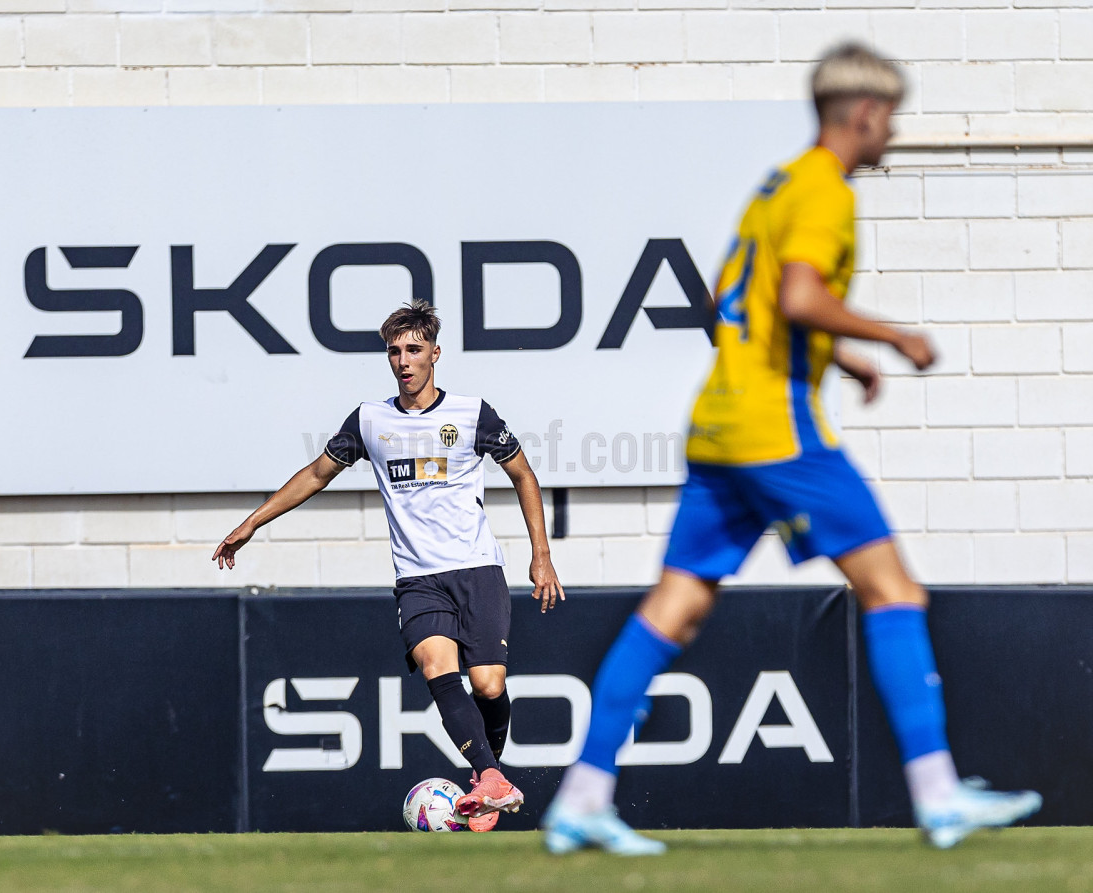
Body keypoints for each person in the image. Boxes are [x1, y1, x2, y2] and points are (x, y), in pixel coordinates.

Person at [541, 43, 1042, 855]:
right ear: (865, 113)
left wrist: (839, 357)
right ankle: (939, 794)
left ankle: (581, 797)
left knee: (675, 605)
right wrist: (893, 337)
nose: (893, 133)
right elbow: (801, 295)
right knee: (894, 590)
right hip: (780, 431)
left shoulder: (774, 185)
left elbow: (729, 300)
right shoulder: (825, 192)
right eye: (892, 118)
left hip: (719, 426)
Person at [214, 299, 564, 832]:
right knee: (437, 667)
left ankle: (485, 776)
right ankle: (492, 780)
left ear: (435, 354)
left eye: (414, 350)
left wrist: (541, 555)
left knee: (489, 685)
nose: (403, 361)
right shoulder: (370, 419)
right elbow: (316, 474)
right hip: (417, 578)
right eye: (394, 351)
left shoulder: (472, 414)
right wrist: (252, 523)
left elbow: (523, 474)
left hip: (477, 569)